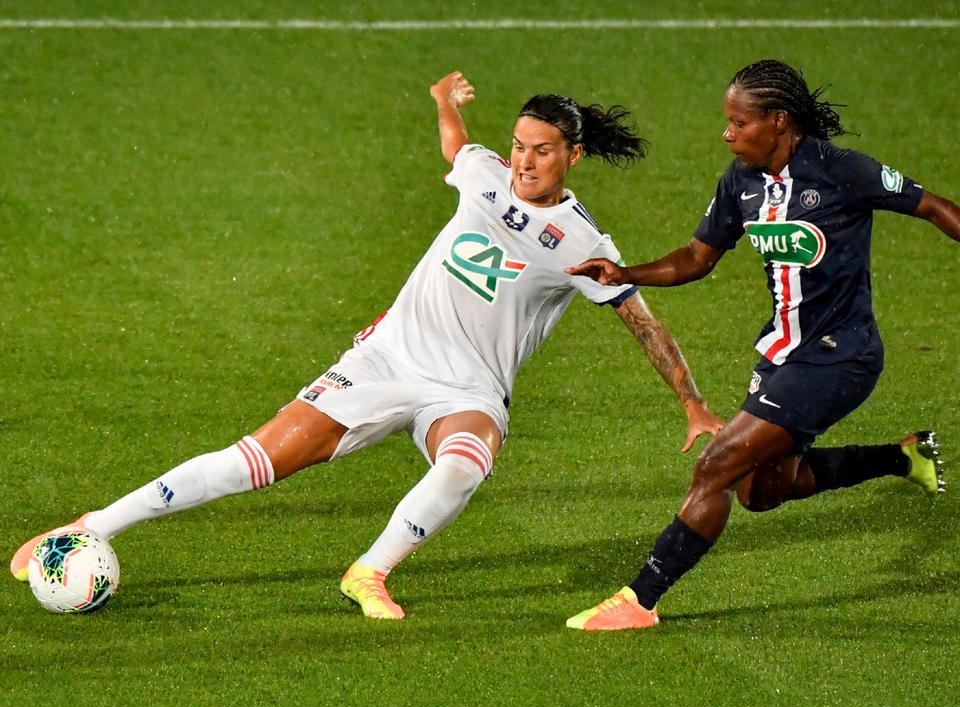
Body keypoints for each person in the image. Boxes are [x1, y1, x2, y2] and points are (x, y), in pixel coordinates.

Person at [11, 71, 723, 620]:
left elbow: (644, 324)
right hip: (387, 359)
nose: (523, 162)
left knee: (466, 461)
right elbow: (456, 146)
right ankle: (90, 525)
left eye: (541, 151)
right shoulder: (483, 173)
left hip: (468, 388)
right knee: (251, 461)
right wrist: (443, 99)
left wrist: (691, 403)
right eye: (518, 145)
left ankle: (369, 572)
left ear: (573, 154)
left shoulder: (580, 242)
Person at [564, 58, 957, 631]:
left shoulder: (841, 171)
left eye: (738, 123)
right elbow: (697, 257)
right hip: (782, 355)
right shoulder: (741, 182)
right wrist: (626, 273)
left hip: (840, 356)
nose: (727, 135)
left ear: (778, 121)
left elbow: (934, 206)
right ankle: (903, 457)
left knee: (716, 466)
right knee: (763, 490)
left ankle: (640, 600)